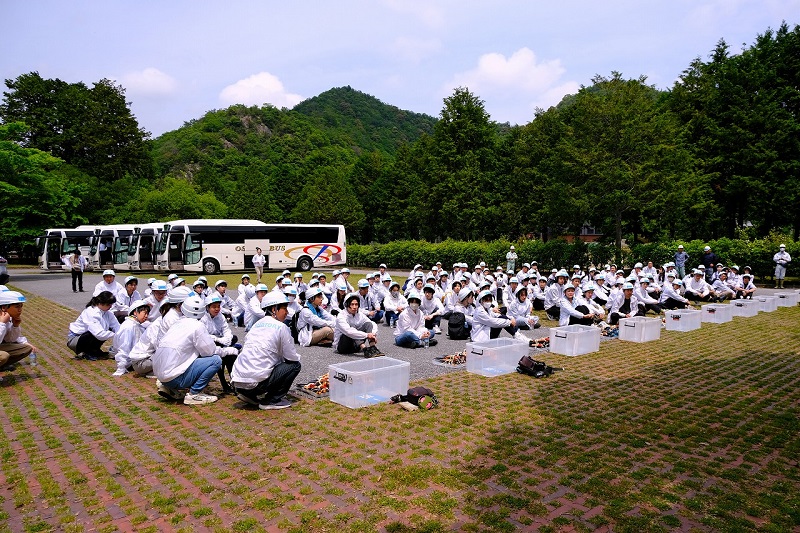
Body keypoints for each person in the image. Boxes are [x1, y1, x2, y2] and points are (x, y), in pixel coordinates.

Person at [231, 292, 302, 410]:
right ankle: (271, 400)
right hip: (256, 382)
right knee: (295, 365)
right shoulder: (281, 327)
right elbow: (292, 357)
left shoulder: (256, 325)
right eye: (284, 308)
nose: (287, 312)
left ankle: (248, 395)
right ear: (274, 309)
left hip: (238, 381)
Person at [152, 295, 222, 406]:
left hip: (160, 375)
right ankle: (194, 394)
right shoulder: (197, 326)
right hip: (173, 377)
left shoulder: (177, 323)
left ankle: (169, 387)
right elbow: (209, 352)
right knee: (216, 360)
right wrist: (227, 351)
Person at [201, 294, 240, 393]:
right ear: (207, 307)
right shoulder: (202, 318)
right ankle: (224, 382)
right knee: (223, 356)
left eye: (218, 306)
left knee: (231, 353)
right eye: (214, 307)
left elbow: (226, 330)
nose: (217, 309)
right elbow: (203, 335)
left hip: (221, 342)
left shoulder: (221, 316)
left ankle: (234, 381)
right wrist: (218, 340)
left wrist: (227, 338)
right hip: (208, 344)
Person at [67, 291, 120, 360]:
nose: (111, 306)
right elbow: (98, 334)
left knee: (107, 330)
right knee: (94, 332)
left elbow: (117, 326)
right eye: (109, 304)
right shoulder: (91, 312)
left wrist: (121, 333)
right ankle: (86, 352)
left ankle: (94, 350)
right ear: (101, 303)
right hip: (75, 340)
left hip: (89, 336)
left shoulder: (108, 313)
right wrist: (115, 334)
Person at [334, 293, 383, 357]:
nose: (354, 307)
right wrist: (367, 335)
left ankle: (373, 348)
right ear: (346, 305)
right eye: (352, 304)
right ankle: (365, 349)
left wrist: (373, 334)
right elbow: (349, 332)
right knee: (352, 329)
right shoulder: (341, 316)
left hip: (356, 346)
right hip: (343, 347)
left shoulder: (359, 314)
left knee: (368, 324)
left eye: (356, 304)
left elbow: (372, 323)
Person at [110, 299, 150, 376]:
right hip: (131, 361)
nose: (146, 316)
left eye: (147, 313)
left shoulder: (137, 324)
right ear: (135, 312)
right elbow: (124, 347)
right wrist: (121, 366)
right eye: (144, 313)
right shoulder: (129, 327)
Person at [0, 291, 36, 371]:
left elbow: (10, 340)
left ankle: (2, 365)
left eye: (21, 306)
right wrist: (1, 324)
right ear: (4, 307)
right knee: (3, 355)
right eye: (17, 307)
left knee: (26, 348)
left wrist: (15, 326)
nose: (20, 310)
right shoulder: (3, 320)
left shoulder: (7, 318)